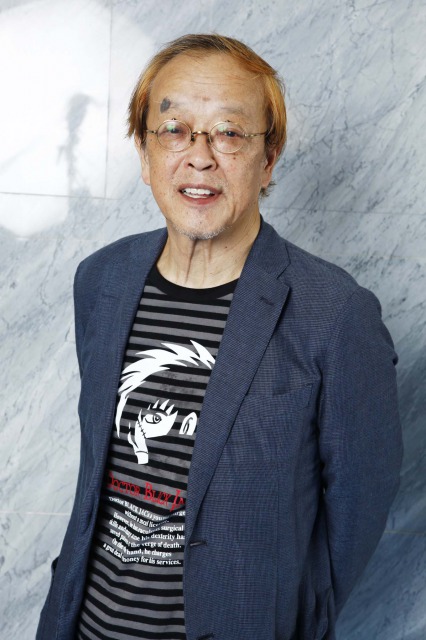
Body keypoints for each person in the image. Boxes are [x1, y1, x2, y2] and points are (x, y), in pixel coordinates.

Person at [36, 34, 403, 640]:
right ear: (144, 150)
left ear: (269, 158)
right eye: (174, 129)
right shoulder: (101, 280)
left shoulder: (336, 315)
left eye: (229, 133)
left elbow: (361, 503)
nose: (200, 157)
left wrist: (290, 620)